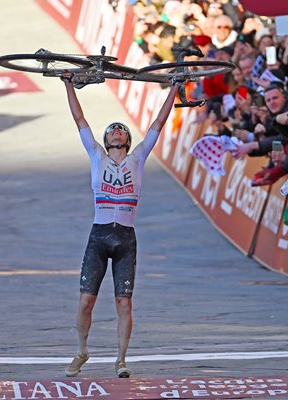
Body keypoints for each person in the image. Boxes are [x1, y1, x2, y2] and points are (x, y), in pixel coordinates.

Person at [61, 72, 179, 379]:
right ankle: (81, 351)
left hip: (125, 237)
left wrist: (176, 88)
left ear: (127, 139)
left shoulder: (138, 157)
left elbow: (158, 124)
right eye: (111, 130)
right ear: (105, 139)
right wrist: (68, 84)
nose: (116, 131)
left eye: (120, 129)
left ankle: (121, 360)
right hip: (99, 234)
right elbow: (79, 118)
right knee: (86, 301)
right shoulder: (95, 155)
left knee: (124, 303)